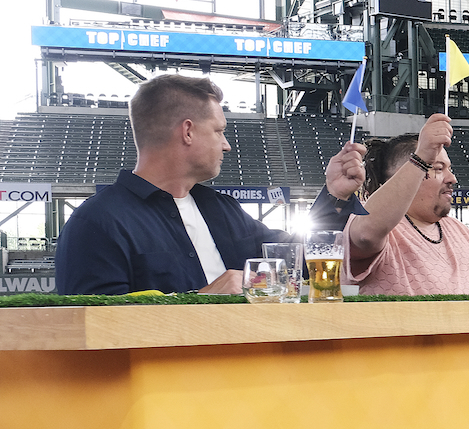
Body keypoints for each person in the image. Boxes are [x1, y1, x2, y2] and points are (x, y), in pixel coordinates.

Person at [56, 73, 352, 295]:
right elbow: (93, 327)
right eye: (219, 131)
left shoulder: (221, 209)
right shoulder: (96, 222)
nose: (226, 146)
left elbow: (295, 256)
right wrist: (201, 300)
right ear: (187, 131)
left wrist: (335, 195)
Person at [340, 114, 469, 295]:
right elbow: (365, 234)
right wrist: (422, 158)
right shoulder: (378, 226)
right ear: (401, 175)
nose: (452, 179)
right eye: (437, 168)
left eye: (449, 169)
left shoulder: (461, 230)